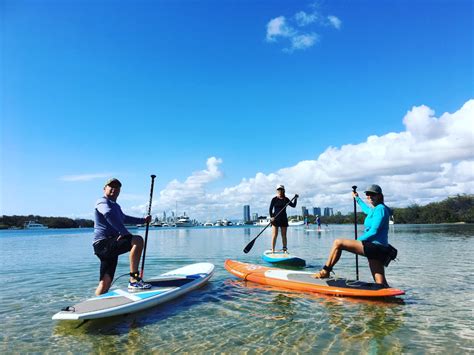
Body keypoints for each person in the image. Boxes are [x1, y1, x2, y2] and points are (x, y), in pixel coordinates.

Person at [313, 184, 392, 287]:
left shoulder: (380, 209)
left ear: (379, 196)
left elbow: (374, 231)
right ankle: (389, 300)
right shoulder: (375, 209)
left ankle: (325, 271)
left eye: (373, 194)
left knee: (338, 243)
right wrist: (357, 198)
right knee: (380, 282)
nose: (370, 196)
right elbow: (366, 209)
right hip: (378, 249)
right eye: (368, 194)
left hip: (375, 247)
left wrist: (358, 241)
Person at [93, 178, 152, 295]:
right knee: (137, 240)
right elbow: (107, 214)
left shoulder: (116, 206)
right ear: (104, 189)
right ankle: (134, 280)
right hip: (103, 244)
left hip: (108, 246)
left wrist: (143, 220)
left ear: (120, 191)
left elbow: (124, 218)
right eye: (111, 186)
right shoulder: (102, 202)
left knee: (105, 282)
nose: (114, 189)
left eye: (117, 187)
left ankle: (93, 305)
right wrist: (124, 232)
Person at [269, 185, 298, 253]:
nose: (280, 191)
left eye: (281, 189)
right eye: (278, 190)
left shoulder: (286, 199)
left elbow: (293, 206)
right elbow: (270, 209)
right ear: (277, 191)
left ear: (283, 190)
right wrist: (271, 217)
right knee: (274, 235)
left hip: (283, 219)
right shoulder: (274, 199)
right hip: (275, 219)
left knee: (284, 235)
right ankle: (273, 249)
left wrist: (296, 198)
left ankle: (285, 250)